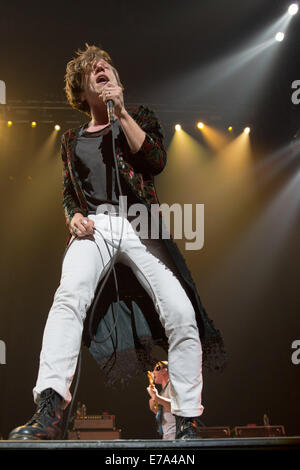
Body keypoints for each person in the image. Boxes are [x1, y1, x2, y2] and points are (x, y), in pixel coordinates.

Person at [8, 44, 226, 441]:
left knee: (181, 313)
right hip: (95, 228)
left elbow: (155, 161)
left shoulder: (138, 117)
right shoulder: (72, 140)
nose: (102, 69)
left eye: (107, 65)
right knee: (69, 296)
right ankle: (50, 409)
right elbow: (68, 193)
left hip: (140, 224)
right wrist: (71, 216)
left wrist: (121, 112)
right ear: (82, 90)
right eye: (94, 70)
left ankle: (187, 420)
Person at [147, 361, 176, 440]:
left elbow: (175, 407)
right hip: (167, 434)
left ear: (164, 371)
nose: (153, 372)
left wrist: (157, 398)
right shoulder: (163, 392)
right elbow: (166, 415)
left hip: (175, 433)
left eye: (157, 368)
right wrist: (154, 409)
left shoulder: (173, 385)